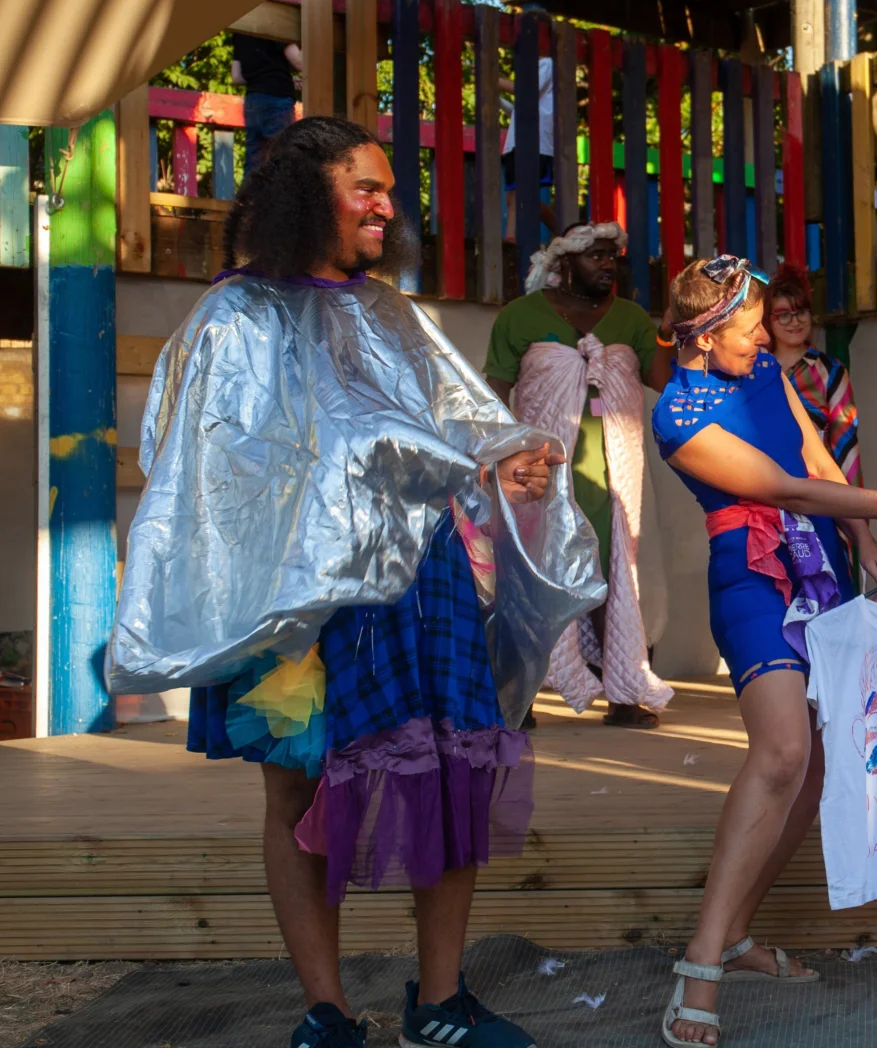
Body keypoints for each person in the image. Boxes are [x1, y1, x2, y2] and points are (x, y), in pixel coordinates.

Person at [109, 117, 603, 1048]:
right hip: (298, 607)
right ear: (308, 198)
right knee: (294, 795)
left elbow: (467, 428)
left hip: (421, 586)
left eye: (388, 189)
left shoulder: (391, 313)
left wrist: (511, 463)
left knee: (454, 773)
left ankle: (441, 1001)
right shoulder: (232, 318)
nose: (386, 207)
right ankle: (328, 1011)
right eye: (364, 189)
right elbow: (209, 469)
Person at [650, 255, 877, 1047]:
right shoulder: (679, 415)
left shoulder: (762, 366)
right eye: (750, 322)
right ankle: (700, 963)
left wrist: (863, 535)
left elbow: (812, 453)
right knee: (783, 751)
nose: (765, 334)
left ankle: (736, 933)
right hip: (752, 575)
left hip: (820, 560)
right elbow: (780, 488)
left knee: (818, 765)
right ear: (701, 333)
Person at [485, 221, 674, 727]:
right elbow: (494, 393)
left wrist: (672, 330)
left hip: (615, 472)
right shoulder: (520, 317)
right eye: (595, 255)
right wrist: (496, 460)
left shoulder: (632, 319)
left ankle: (624, 694)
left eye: (613, 255)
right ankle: (517, 697)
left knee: (616, 574)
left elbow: (663, 383)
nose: (607, 264)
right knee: (535, 577)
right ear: (563, 262)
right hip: (543, 474)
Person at [765, 264, 862, 484]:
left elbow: (846, 445)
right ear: (768, 320)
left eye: (800, 312)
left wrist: (855, 509)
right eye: (783, 315)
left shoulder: (830, 371)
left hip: (818, 492)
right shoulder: (754, 370)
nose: (795, 321)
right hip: (764, 492)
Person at [500, 57, 560, 237]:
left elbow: (525, 91)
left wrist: (493, 80)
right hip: (518, 144)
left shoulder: (547, 63)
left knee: (520, 197)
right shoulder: (538, 70)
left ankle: (511, 240)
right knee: (516, 198)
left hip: (535, 143)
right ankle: (563, 233)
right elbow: (517, 111)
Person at [229, 32, 302, 175]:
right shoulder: (276, 25)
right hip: (277, 98)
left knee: (254, 158)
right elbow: (300, 62)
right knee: (281, 156)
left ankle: (248, 197)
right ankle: (279, 197)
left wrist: (285, 79)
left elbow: (236, 77)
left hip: (253, 99)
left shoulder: (240, 32)